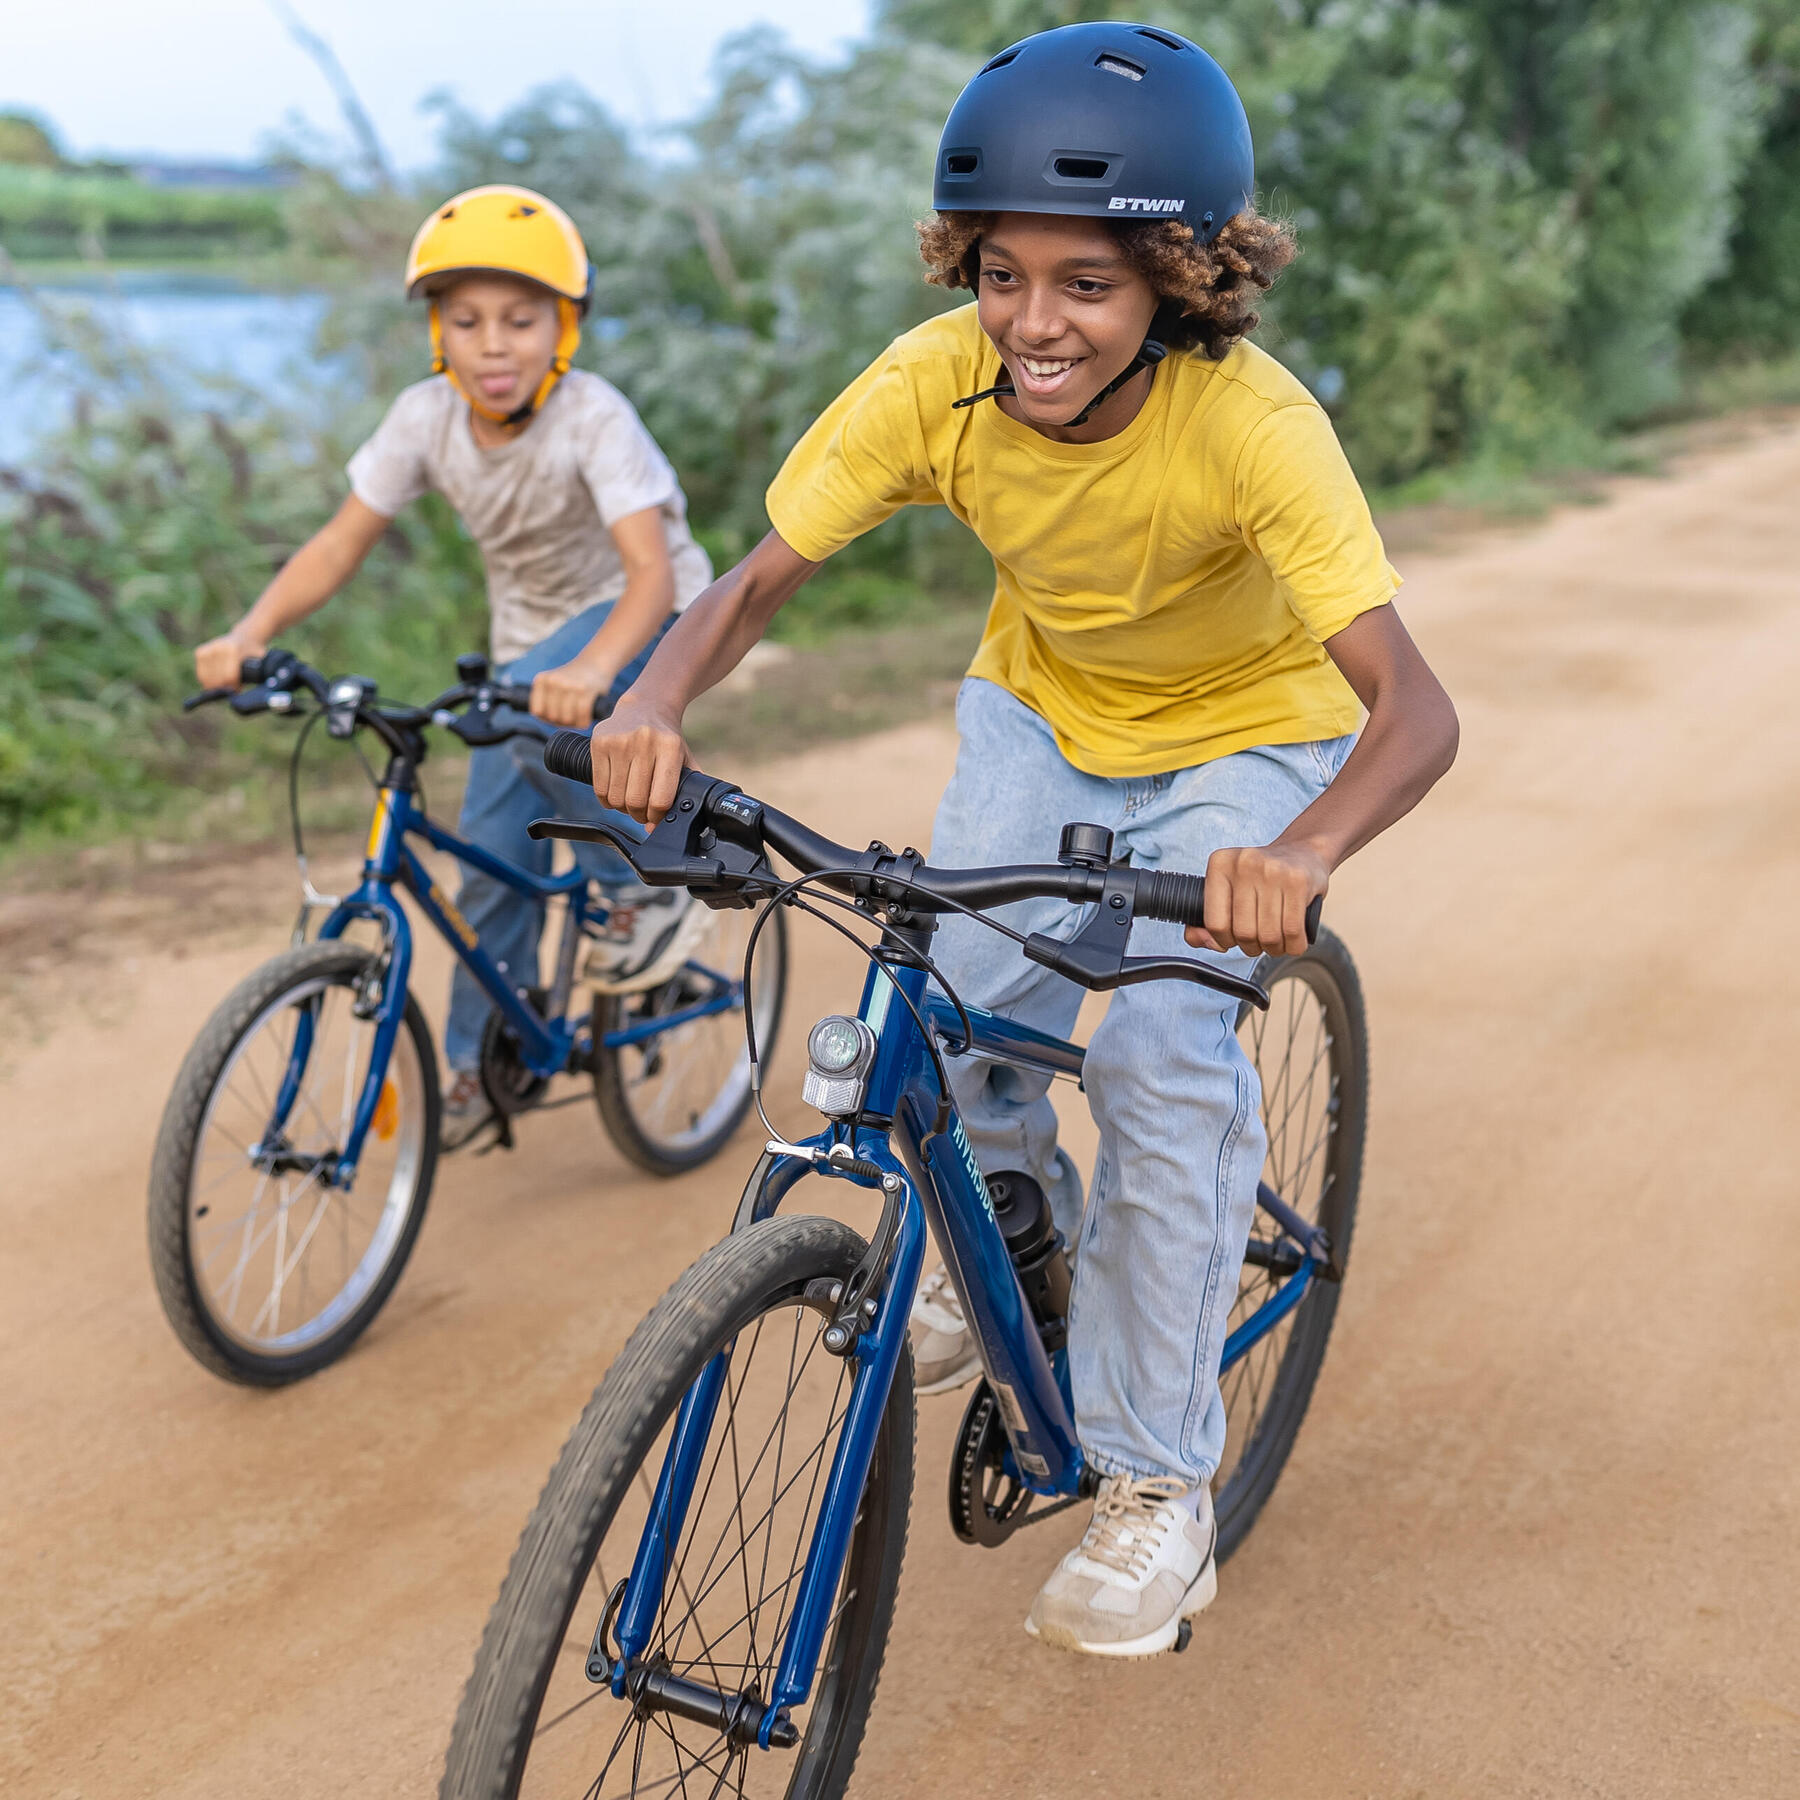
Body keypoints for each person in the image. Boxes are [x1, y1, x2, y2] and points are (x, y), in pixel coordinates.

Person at [580, 23, 1458, 1656]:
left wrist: (1309, 855)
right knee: (959, 1014)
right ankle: (1007, 1242)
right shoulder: (940, 382)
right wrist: (657, 699)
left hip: (1248, 743)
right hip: (1043, 718)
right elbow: (756, 580)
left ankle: (1153, 1489)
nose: (1034, 324)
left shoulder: (1252, 426)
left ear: (1178, 285)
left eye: (1087, 285)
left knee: (1162, 1057)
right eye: (1000, 272)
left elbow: (1414, 710)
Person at [192, 184, 714, 1149]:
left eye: (522, 320)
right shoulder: (425, 416)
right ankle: (478, 1071)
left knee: (536, 721)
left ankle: (645, 899)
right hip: (530, 646)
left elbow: (648, 574)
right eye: (466, 321)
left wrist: (598, 666)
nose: (494, 344)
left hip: (649, 618)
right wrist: (252, 630)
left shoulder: (595, 416)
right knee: (490, 864)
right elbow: (341, 542)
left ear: (566, 329)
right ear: (437, 332)